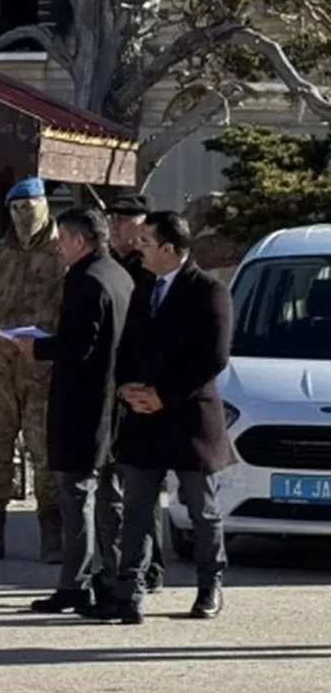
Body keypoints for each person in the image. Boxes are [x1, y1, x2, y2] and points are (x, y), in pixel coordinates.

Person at [85, 211, 233, 624]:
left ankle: (209, 586)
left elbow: (214, 357)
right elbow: (126, 345)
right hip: (143, 417)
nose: (138, 247)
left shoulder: (208, 291)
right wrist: (126, 387)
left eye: (147, 241)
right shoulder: (144, 286)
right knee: (137, 506)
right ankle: (127, 591)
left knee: (201, 509)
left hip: (189, 417)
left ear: (169, 249)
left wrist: (164, 396)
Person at [9, 207, 132, 613]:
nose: (59, 248)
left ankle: (80, 584)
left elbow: (80, 346)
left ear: (79, 241)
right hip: (115, 403)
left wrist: (37, 347)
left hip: (85, 404)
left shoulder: (87, 280)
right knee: (110, 495)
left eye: (62, 240)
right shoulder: (119, 274)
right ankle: (111, 579)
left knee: (78, 494)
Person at [0, 177, 66, 563]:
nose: (22, 215)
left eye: (29, 206)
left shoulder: (63, 252)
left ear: (44, 206)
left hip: (45, 372)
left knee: (45, 455)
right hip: (2, 370)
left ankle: (52, 536)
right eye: (15, 208)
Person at [99, 192, 166, 596]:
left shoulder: (151, 269)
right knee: (116, 483)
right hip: (113, 383)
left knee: (142, 483)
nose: (117, 227)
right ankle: (122, 564)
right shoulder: (111, 265)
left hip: (143, 389)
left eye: (125, 221)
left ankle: (149, 564)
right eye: (114, 220)